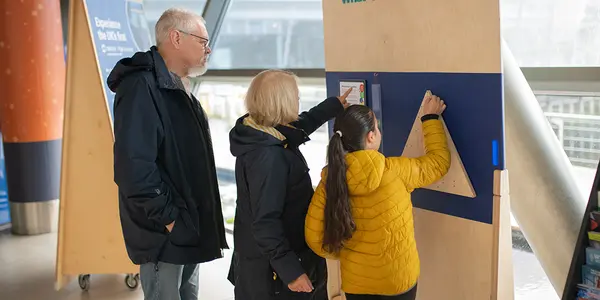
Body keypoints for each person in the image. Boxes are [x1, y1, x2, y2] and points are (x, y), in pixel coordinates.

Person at [108, 8, 228, 300]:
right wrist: (170, 220)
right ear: (176, 37)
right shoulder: (140, 87)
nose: (208, 48)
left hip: (188, 226)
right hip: (166, 233)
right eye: (202, 41)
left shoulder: (178, 86)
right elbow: (133, 168)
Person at [304, 93, 451, 300]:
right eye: (377, 126)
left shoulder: (329, 181)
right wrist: (430, 119)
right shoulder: (395, 171)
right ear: (371, 137)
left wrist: (346, 253)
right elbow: (438, 163)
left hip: (357, 285)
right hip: (398, 281)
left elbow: (315, 238)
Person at [227, 69, 352, 300]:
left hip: (265, 264)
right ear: (282, 102)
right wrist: (292, 272)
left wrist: (333, 106)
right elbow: (265, 222)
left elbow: (299, 126)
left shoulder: (258, 132)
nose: (298, 99)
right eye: (295, 95)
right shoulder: (268, 158)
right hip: (274, 276)